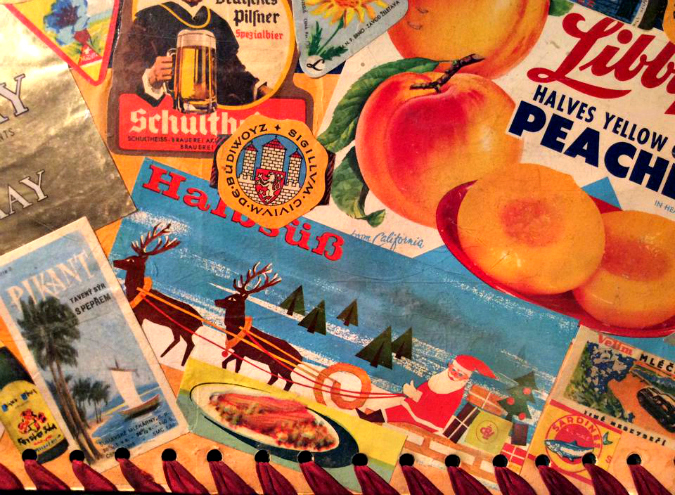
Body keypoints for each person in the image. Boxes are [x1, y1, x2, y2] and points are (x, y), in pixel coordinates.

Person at [114, 0, 267, 106]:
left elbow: (234, 73)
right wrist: (150, 78)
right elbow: (125, 73)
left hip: (214, 118)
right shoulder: (148, 18)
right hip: (166, 119)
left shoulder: (218, 22)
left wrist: (259, 89)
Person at [357, 355, 496, 434]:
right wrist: (413, 393)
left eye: (460, 375)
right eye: (453, 371)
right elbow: (425, 391)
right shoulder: (440, 378)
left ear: (465, 378)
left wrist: (414, 395)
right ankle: (368, 418)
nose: (454, 376)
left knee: (399, 411)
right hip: (419, 410)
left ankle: (368, 419)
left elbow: (434, 406)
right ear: (450, 367)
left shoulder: (455, 391)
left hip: (429, 420)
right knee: (398, 403)